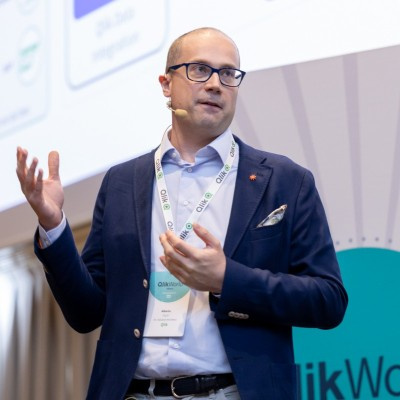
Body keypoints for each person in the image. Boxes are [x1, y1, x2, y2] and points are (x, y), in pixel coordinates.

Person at [16, 27, 348, 400]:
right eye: (200, 70)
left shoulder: (285, 180)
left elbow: (328, 300)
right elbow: (86, 312)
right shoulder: (122, 182)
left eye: (228, 73)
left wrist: (227, 279)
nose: (216, 84)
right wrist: (53, 225)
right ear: (166, 84)